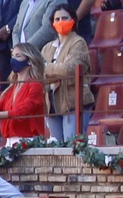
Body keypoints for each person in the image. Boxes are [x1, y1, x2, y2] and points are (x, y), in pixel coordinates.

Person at [39, 8, 92, 140]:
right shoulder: (47, 47)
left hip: (73, 102)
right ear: (52, 23)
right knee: (56, 147)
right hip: (51, 103)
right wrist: (58, 70)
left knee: (71, 146)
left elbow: (71, 69)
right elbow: (39, 73)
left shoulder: (78, 43)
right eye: (57, 19)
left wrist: (47, 67)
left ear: (73, 21)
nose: (61, 21)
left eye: (65, 18)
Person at [0, 48, 48, 141]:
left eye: (18, 56)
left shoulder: (35, 86)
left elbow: (22, 113)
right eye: (12, 56)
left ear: (29, 61)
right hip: (10, 140)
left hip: (29, 140)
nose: (13, 59)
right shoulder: (12, 88)